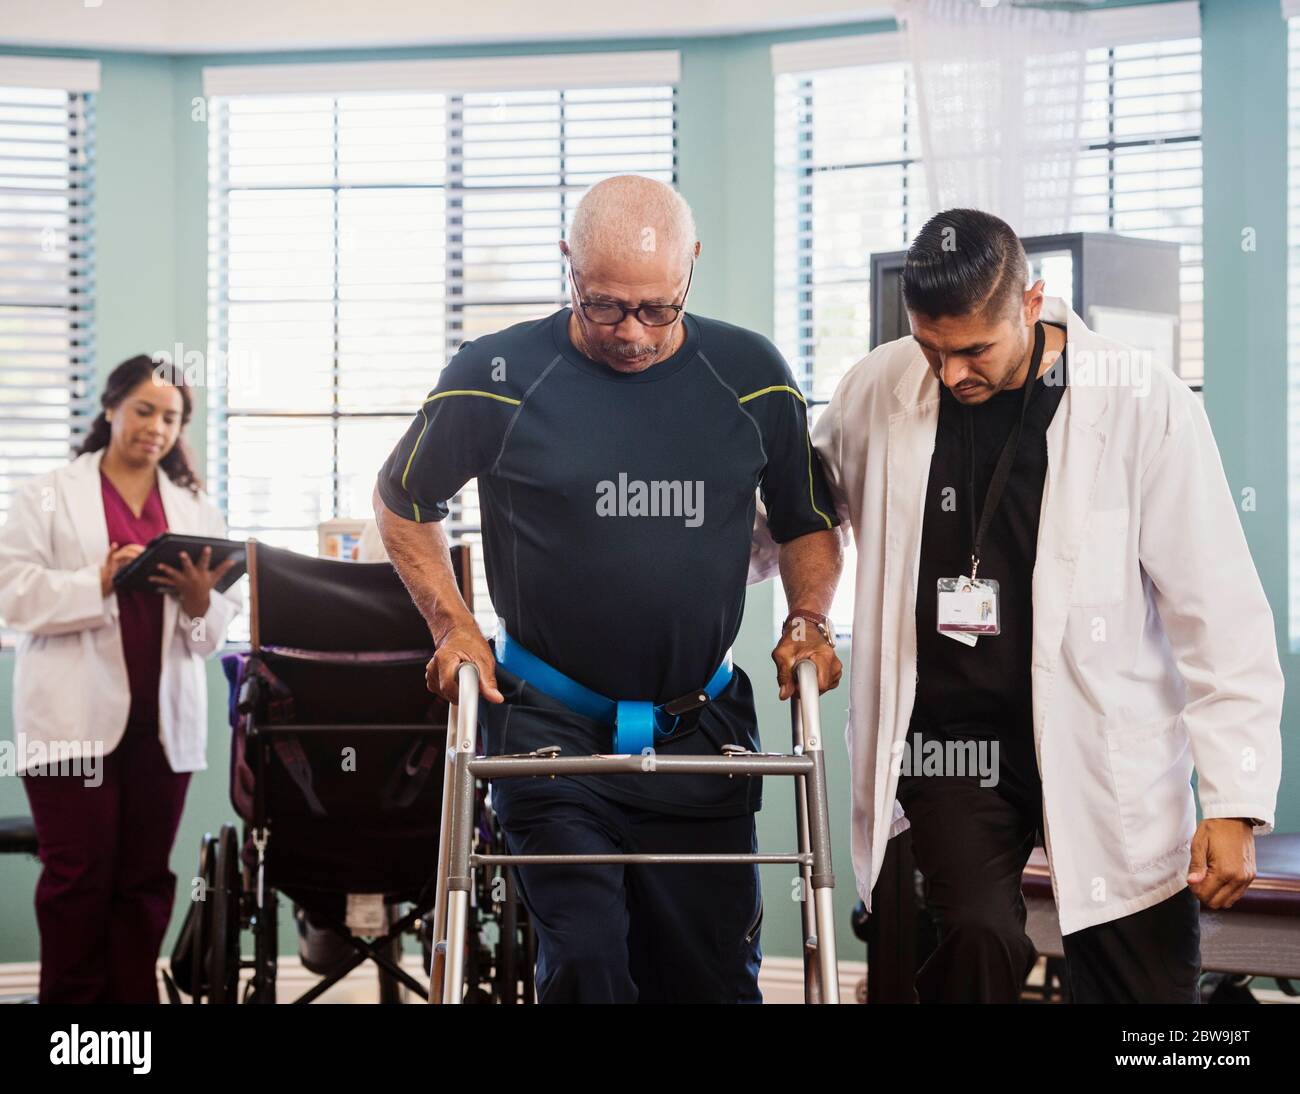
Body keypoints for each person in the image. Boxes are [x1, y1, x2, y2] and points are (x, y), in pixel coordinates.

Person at [755, 208, 1284, 1003]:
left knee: (1144, 992)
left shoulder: (1139, 400)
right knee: (976, 936)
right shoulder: (879, 386)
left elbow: (1218, 608)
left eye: (975, 351)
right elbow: (797, 516)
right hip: (956, 750)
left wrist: (1236, 800)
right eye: (933, 348)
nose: (952, 372)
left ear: (1031, 304)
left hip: (1105, 745)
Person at [374, 174, 843, 1003]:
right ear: (569, 268)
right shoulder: (494, 374)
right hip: (551, 737)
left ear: (691, 267)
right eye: (605, 306)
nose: (633, 332)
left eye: (658, 309)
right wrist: (452, 624)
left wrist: (809, 616)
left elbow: (805, 519)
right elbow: (403, 500)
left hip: (703, 733)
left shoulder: (752, 374)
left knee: (710, 984)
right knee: (589, 966)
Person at [0, 355, 242, 1003]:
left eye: (171, 417)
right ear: (110, 408)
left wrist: (199, 601)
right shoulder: (49, 494)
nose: (156, 427)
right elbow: (12, 594)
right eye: (144, 410)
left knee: (144, 880)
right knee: (77, 879)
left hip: (162, 729)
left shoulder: (194, 508)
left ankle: (133, 1014)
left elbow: (211, 635)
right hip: (68, 724)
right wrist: (99, 580)